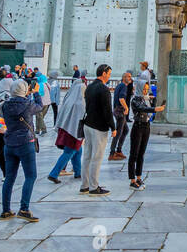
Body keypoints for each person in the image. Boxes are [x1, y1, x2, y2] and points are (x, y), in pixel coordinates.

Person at [0, 79, 42, 221]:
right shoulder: (27, 104)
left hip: (10, 143)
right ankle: (24, 208)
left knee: (9, 177)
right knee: (31, 176)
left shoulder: (5, 105)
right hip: (25, 143)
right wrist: (35, 93)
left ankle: (5, 210)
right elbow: (40, 106)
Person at [81, 65, 114, 195]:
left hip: (88, 124)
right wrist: (113, 126)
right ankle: (94, 187)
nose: (110, 76)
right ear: (104, 73)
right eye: (109, 73)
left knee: (87, 156)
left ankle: (85, 185)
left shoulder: (89, 87)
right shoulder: (103, 89)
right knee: (97, 157)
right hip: (99, 127)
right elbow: (107, 110)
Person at [127, 74, 162, 188]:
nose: (146, 92)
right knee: (134, 154)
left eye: (147, 90)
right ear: (139, 89)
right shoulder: (135, 100)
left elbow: (148, 104)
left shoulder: (144, 99)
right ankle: (132, 180)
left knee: (141, 153)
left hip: (146, 126)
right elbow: (142, 109)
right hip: (138, 127)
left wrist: (153, 102)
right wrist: (154, 109)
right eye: (144, 89)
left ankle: (139, 177)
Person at [48, 79, 85, 183]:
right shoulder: (80, 103)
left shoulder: (69, 99)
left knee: (78, 151)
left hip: (66, 129)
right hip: (74, 132)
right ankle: (54, 173)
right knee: (69, 152)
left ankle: (78, 172)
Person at [109, 71, 134, 161]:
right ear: (124, 78)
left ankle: (118, 150)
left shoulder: (120, 85)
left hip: (117, 111)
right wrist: (126, 108)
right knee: (118, 132)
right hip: (120, 112)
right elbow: (121, 98)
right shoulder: (123, 86)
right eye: (128, 76)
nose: (130, 78)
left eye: (130, 76)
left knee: (125, 130)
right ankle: (112, 153)